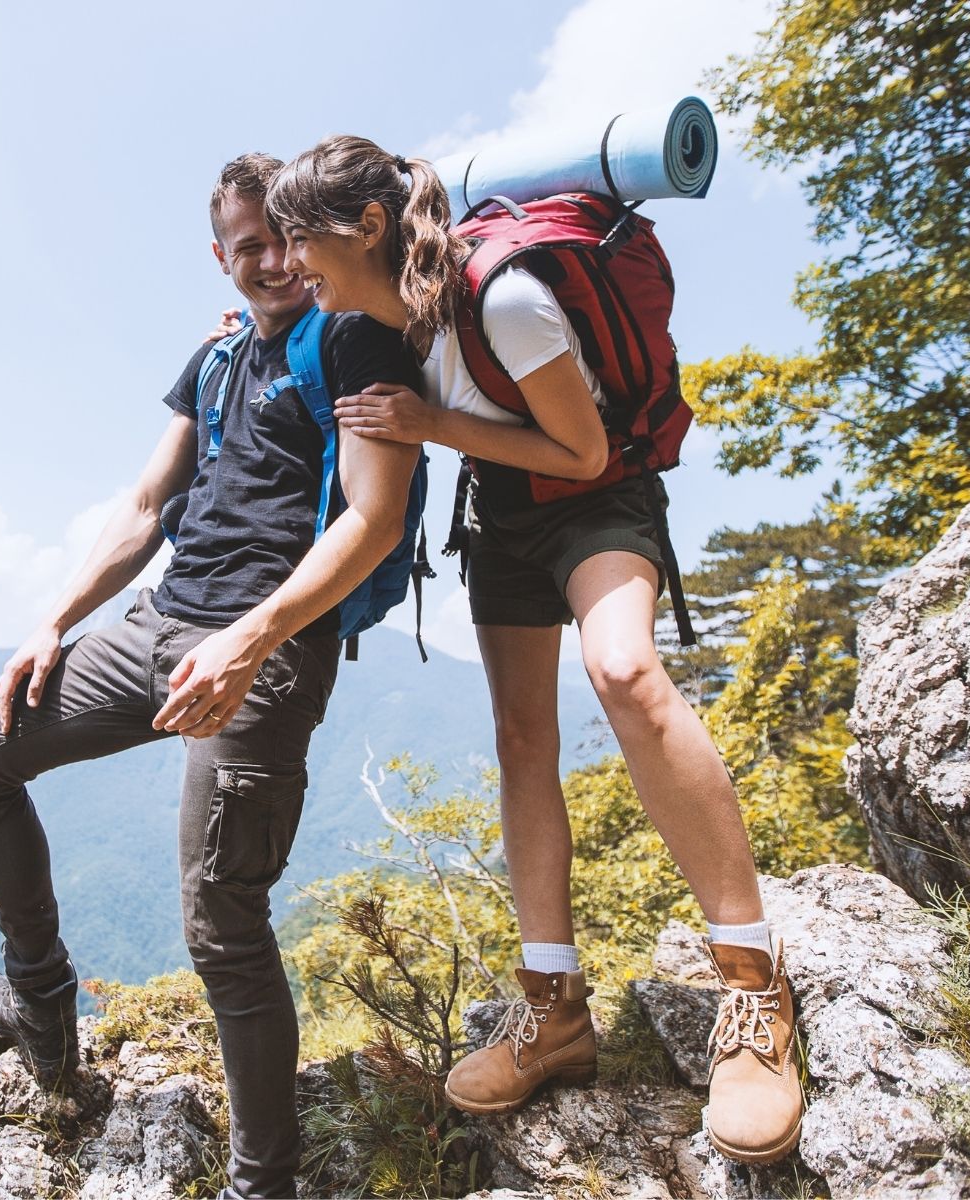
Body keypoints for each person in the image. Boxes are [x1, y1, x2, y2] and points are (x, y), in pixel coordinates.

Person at [263, 135, 803, 1165]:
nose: (292, 262)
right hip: (506, 512)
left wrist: (430, 423)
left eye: (300, 240)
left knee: (624, 673)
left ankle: (750, 988)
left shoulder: (501, 298)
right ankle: (553, 1013)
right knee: (520, 740)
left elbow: (583, 452)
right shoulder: (376, 316)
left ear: (366, 228)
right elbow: (299, 343)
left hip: (596, 501)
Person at [0, 152, 423, 1199]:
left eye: (281, 242)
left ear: (308, 239)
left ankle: (262, 1181)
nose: (267, 264)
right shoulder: (212, 361)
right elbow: (148, 505)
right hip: (156, 626)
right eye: (244, 248)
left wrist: (248, 640)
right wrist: (52, 623)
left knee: (221, 925)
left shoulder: (355, 340)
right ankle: (42, 1005)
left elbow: (375, 519)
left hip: (269, 648)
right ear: (220, 256)